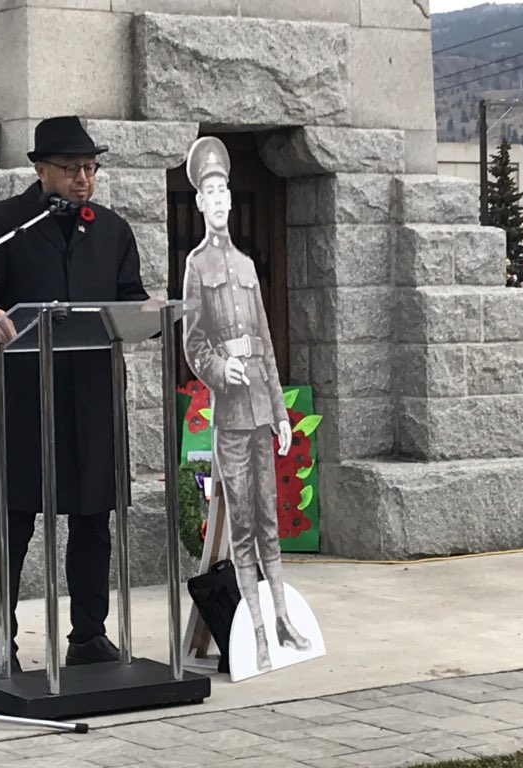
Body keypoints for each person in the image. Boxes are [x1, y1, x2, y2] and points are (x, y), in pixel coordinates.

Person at [0, 116, 151, 674]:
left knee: (93, 518)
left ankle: (89, 635)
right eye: (71, 169)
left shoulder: (112, 230)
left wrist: (149, 314)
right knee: (15, 521)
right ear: (40, 168)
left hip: (93, 394)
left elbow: (128, 298)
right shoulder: (3, 223)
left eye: (91, 168)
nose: (84, 179)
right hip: (28, 395)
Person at [181, 137, 311, 673]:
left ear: (230, 201)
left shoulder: (246, 265)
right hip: (231, 414)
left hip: (260, 406)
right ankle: (256, 631)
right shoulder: (196, 265)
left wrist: (280, 412)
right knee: (239, 529)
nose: (217, 200)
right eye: (208, 192)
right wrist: (217, 369)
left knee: (269, 520)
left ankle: (282, 618)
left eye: (222, 191)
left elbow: (264, 342)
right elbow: (192, 340)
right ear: (199, 203)